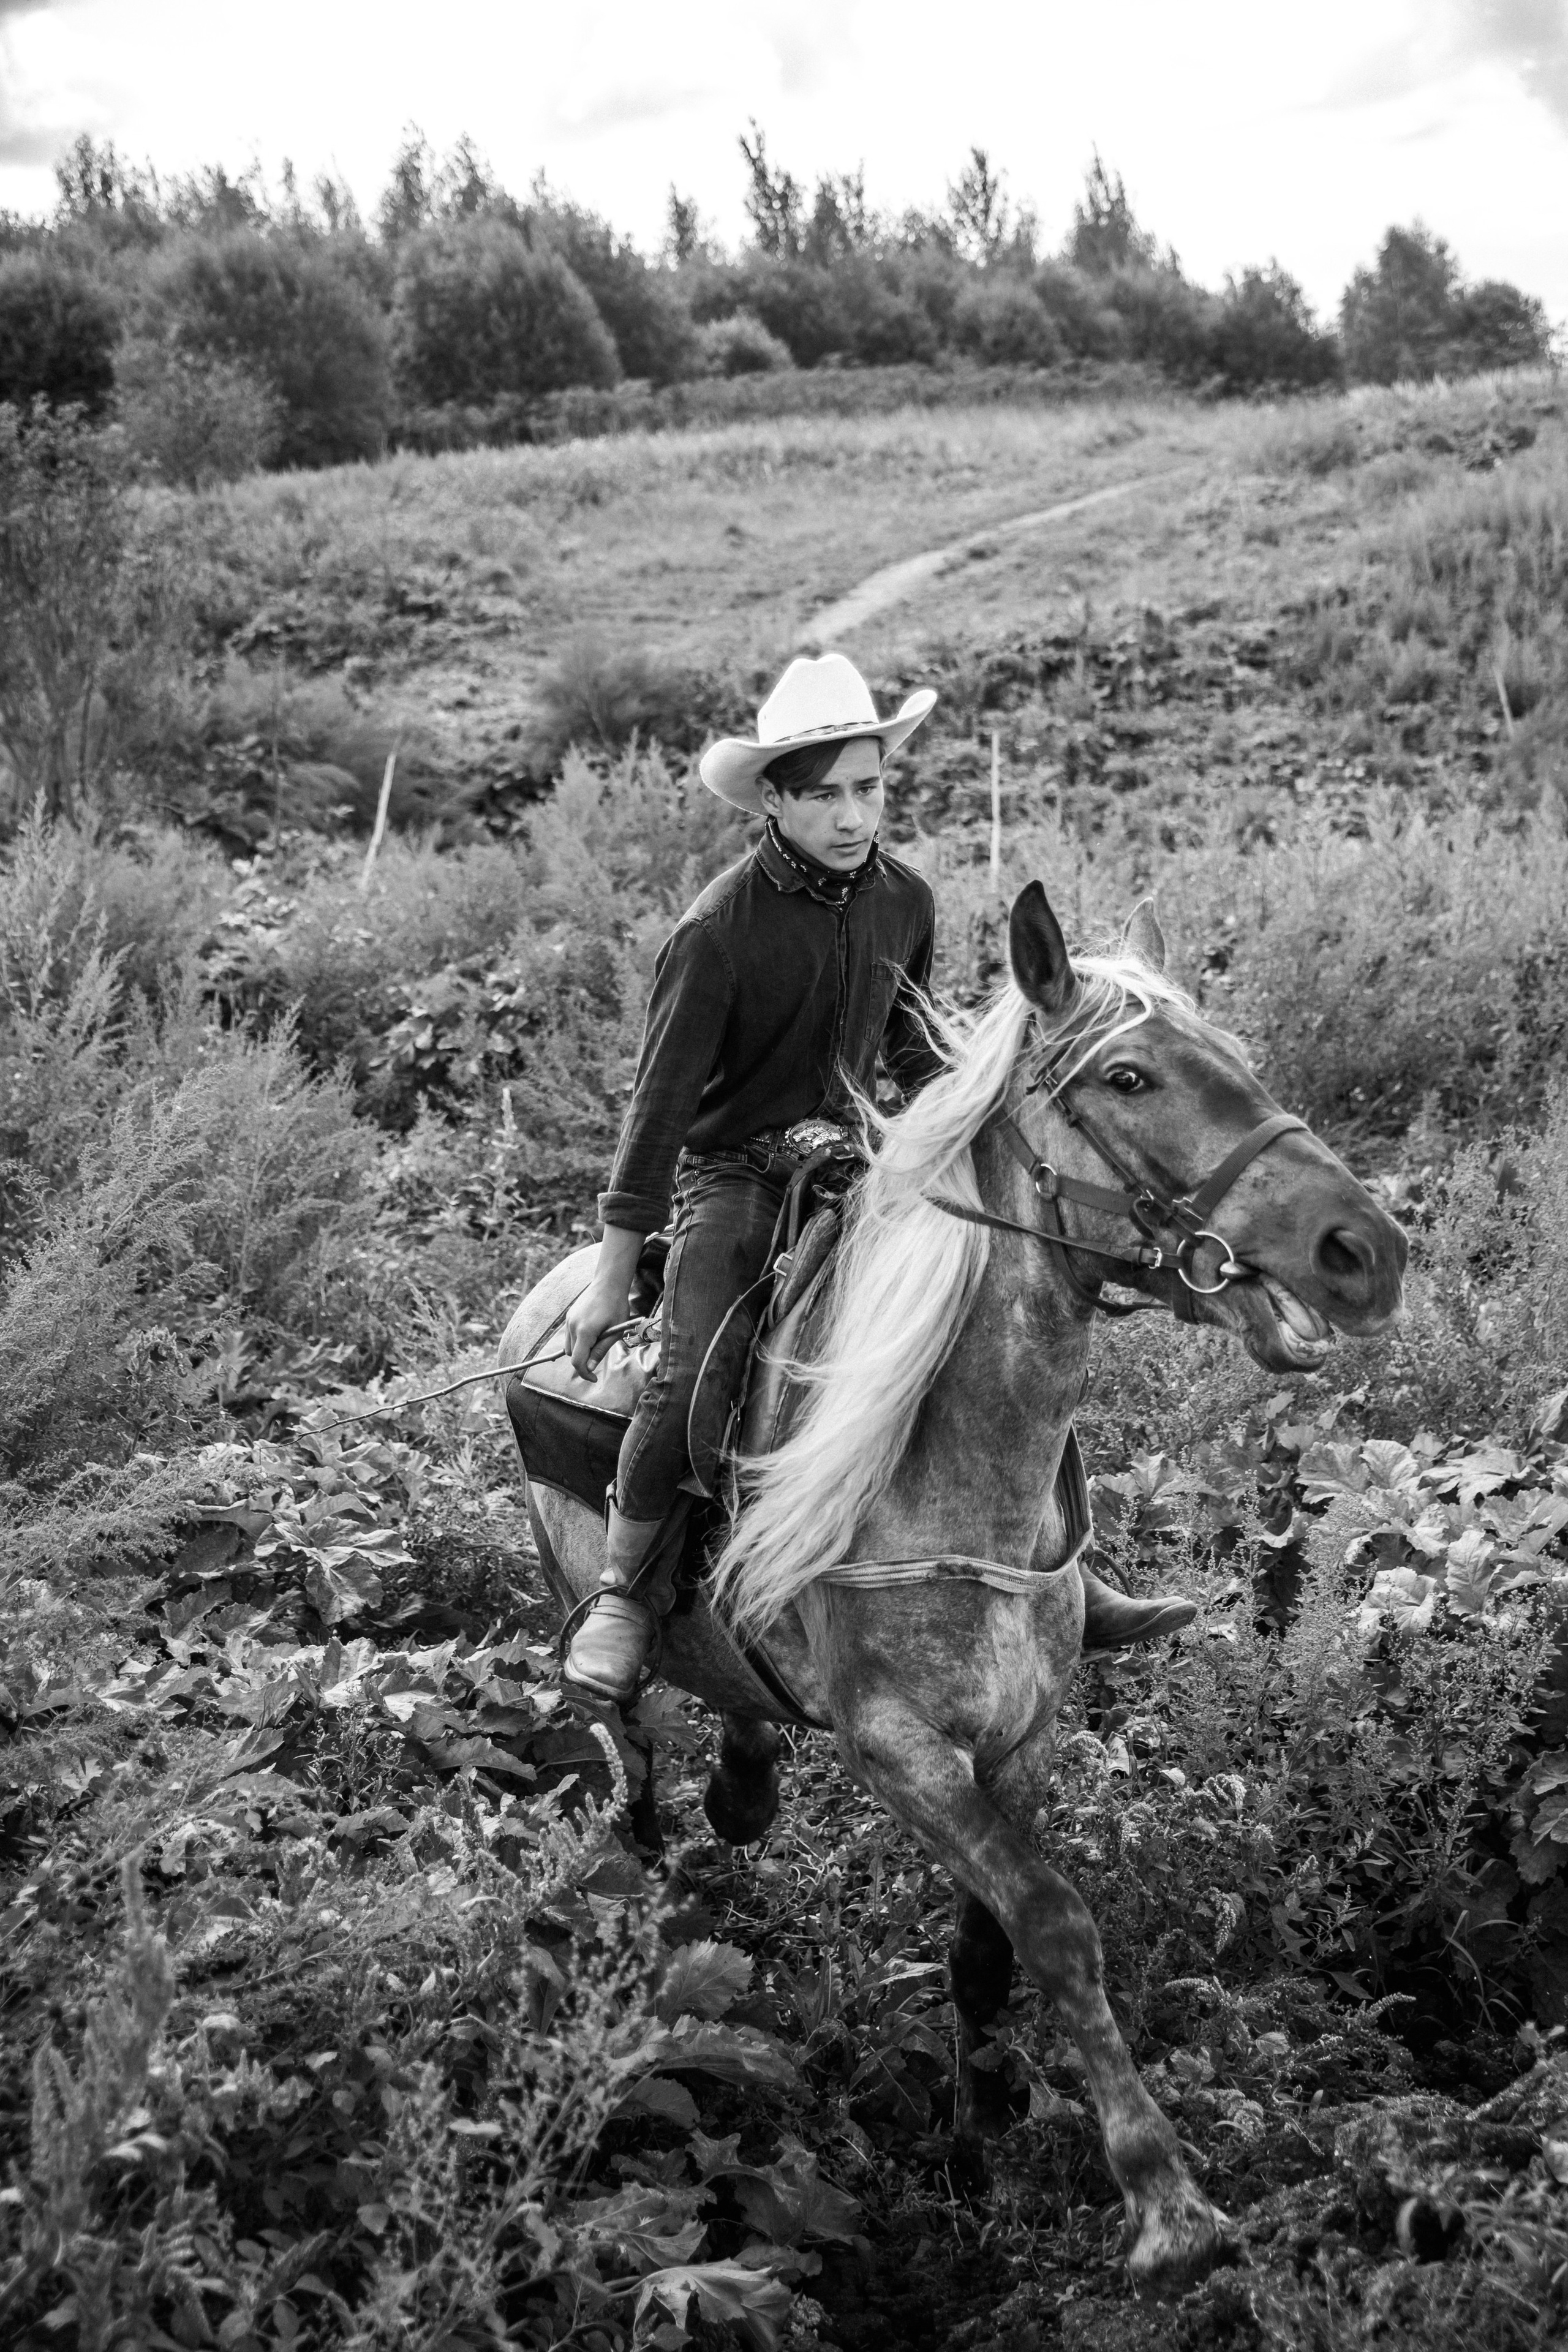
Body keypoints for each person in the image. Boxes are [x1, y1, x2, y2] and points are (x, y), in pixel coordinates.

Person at [560, 653, 1191, 1705]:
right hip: (736, 1175)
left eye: (870, 787)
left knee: (1003, 1310)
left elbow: (905, 1046)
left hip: (857, 1160)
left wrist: (960, 1119)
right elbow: (659, 1113)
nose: (854, 816)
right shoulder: (717, 932)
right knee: (695, 1371)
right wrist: (610, 1269)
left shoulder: (904, 898)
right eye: (825, 795)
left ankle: (1064, 1569)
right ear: (772, 798)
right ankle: (626, 1589)